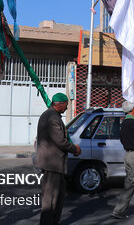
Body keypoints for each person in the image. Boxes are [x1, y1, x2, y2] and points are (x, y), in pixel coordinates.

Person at [34, 92, 81, 225]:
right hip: (52, 163)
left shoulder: (51, 115)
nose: (66, 108)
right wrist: (74, 149)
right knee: (50, 197)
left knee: (58, 195)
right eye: (66, 105)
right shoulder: (52, 117)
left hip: (54, 163)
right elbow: (60, 141)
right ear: (60, 104)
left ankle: (54, 221)